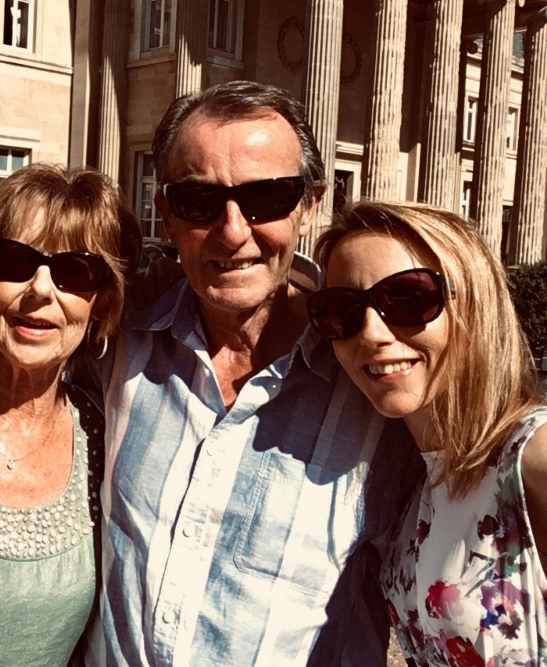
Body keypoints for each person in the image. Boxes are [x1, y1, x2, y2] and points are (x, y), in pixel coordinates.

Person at [83, 80, 423, 666]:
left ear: (309, 205)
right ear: (165, 213)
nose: (234, 231)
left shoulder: (379, 382)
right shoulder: (119, 338)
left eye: (267, 198)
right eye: (198, 202)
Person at [307, 201, 547, 664]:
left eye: (409, 298)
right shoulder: (412, 492)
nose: (372, 333)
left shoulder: (532, 456)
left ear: (476, 303)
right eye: (341, 310)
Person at [0, 164, 139, 666]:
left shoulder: (104, 438)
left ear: (101, 301)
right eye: (15, 261)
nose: (40, 289)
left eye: (74, 271)